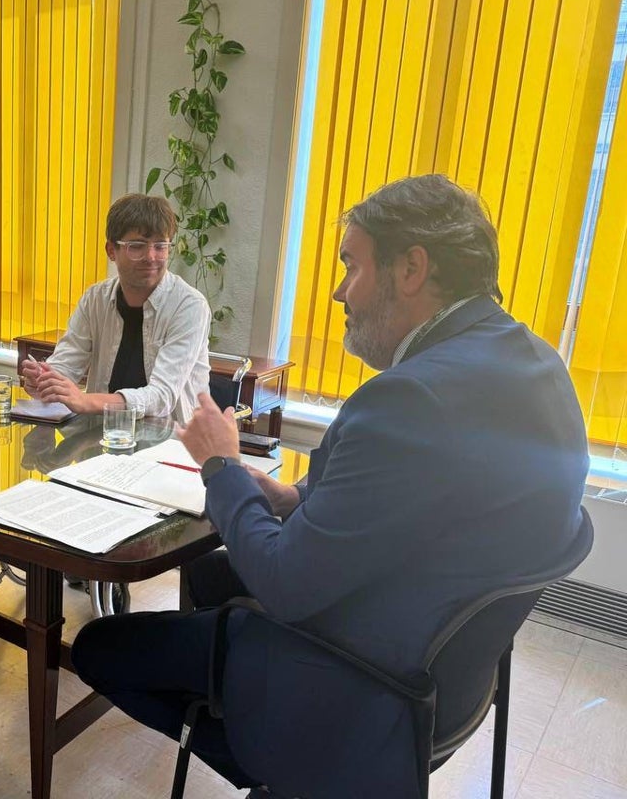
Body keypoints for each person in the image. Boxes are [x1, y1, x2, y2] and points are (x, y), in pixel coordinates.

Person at [70, 174, 591, 797]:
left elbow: (288, 585)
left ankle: (283, 768)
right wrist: (293, 499)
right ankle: (263, 727)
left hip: (366, 684)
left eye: (352, 265)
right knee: (210, 578)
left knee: (98, 648)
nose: (340, 291)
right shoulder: (538, 365)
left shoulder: (409, 397)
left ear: (411, 268)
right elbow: (419, 502)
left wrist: (221, 468)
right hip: (452, 673)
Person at [20, 193, 211, 422]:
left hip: (171, 443)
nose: (151, 257)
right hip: (103, 436)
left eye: (161, 246)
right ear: (111, 250)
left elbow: (162, 397)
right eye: (137, 246)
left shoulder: (189, 306)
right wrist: (44, 379)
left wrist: (85, 400)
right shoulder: (96, 299)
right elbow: (66, 366)